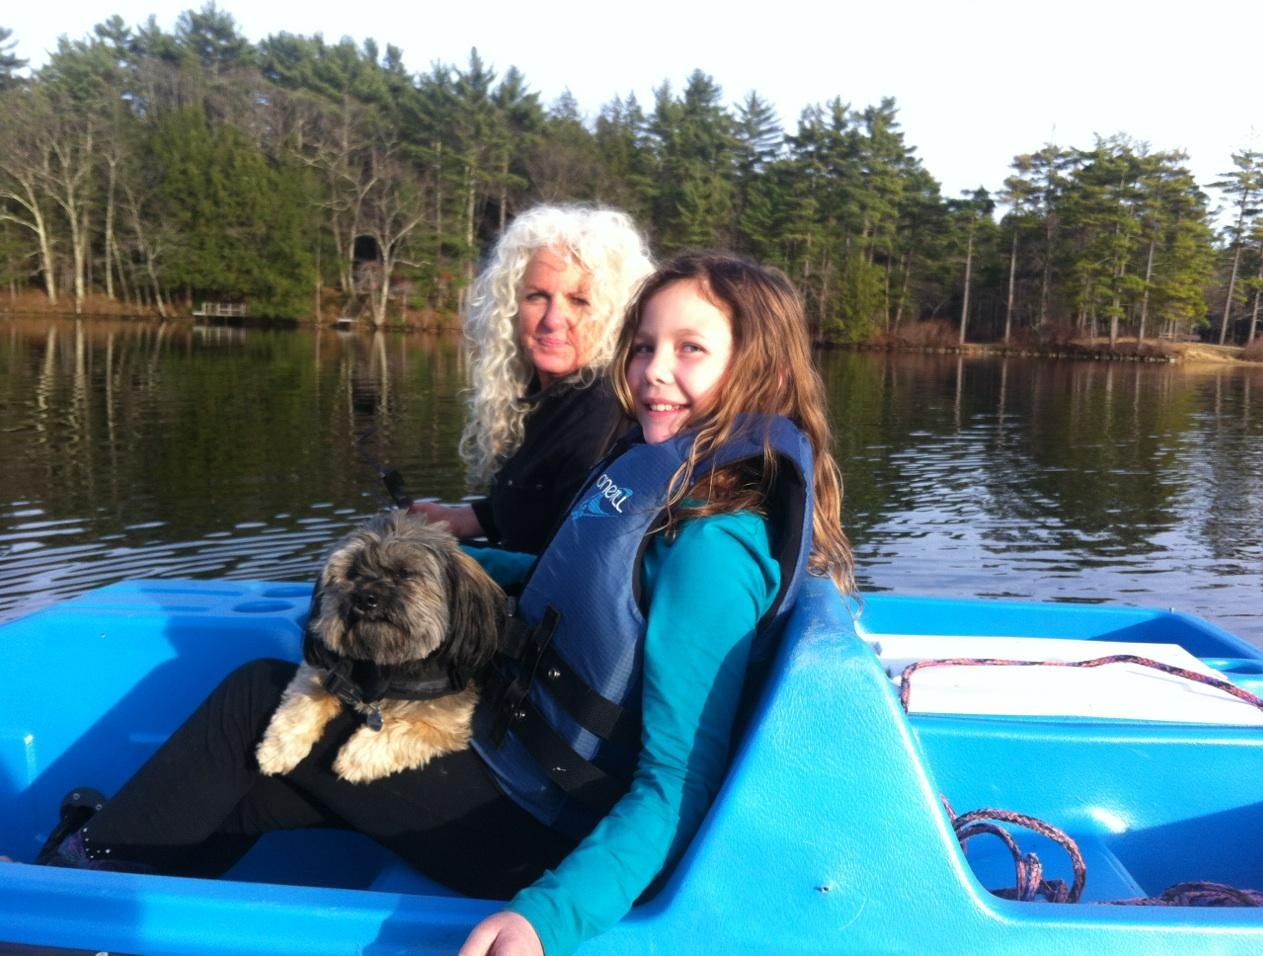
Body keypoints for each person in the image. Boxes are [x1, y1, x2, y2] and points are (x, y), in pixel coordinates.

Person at [34, 253, 858, 956]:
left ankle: (58, 900)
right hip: (521, 769)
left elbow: (677, 783)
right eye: (644, 345)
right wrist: (443, 556)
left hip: (545, 831)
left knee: (255, 699)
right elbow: (580, 589)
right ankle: (92, 905)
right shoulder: (682, 492)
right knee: (257, 785)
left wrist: (547, 918)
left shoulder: (714, 551)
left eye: (690, 349)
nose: (652, 372)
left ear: (760, 371)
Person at [409, 205, 653, 554]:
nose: (553, 320)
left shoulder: (604, 412)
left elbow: (568, 562)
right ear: (510, 307)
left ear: (616, 317)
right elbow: (536, 505)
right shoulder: (547, 397)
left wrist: (454, 558)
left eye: (579, 301)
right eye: (537, 296)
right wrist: (457, 519)